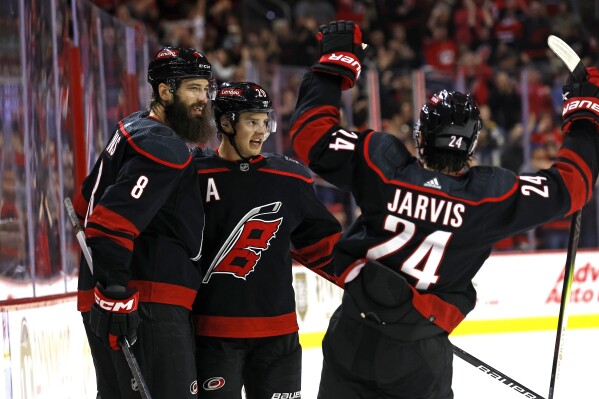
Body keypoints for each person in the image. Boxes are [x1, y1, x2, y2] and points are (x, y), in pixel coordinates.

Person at [289, 20, 599, 399]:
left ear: (420, 136)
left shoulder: (381, 166)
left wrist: (335, 63)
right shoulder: (488, 197)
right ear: (471, 147)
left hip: (353, 334)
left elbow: (310, 136)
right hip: (419, 352)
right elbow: (573, 186)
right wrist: (585, 119)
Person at [72, 46, 215, 398]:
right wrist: (117, 293)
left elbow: (82, 204)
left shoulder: (131, 128)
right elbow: (108, 223)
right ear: (165, 91)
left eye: (206, 89)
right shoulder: (163, 146)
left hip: (108, 297)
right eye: (193, 89)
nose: (203, 99)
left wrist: (107, 291)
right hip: (147, 302)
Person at [193, 81, 342, 399]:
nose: (261, 132)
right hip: (213, 335)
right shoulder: (194, 175)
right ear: (225, 122)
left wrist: (367, 283)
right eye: (251, 121)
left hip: (278, 336)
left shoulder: (290, 178)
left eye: (265, 122)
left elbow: (323, 245)